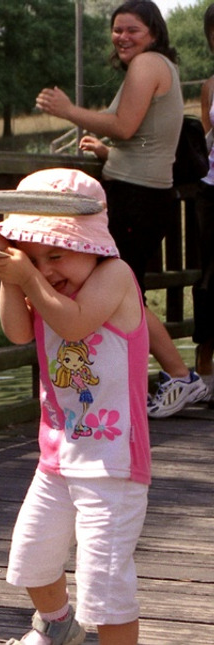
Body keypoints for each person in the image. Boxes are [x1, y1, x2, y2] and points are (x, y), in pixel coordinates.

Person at [0, 168, 150, 645]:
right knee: (32, 558)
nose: (47, 268)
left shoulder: (114, 276)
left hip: (112, 464)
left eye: (55, 253)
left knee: (106, 587)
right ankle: (59, 627)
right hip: (59, 454)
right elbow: (18, 331)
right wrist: (10, 276)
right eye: (33, 256)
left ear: (92, 243)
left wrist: (30, 279)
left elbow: (74, 326)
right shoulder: (44, 286)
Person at [35, 0, 207, 419]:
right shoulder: (157, 65)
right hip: (144, 193)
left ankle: (180, 376)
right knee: (125, 291)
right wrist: (108, 154)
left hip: (138, 198)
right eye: (117, 30)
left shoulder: (147, 64)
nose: (123, 37)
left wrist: (68, 111)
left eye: (133, 29)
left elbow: (127, 125)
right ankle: (154, 379)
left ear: (153, 32)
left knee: (122, 293)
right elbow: (145, 139)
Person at [193, 4, 214, 405]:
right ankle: (205, 372)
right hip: (212, 192)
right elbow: (208, 143)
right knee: (211, 279)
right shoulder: (210, 85)